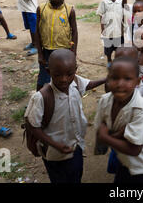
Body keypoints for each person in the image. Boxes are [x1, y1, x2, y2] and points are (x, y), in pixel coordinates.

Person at [24, 49, 106, 183]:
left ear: (75, 70)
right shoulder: (41, 97)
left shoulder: (76, 83)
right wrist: (55, 144)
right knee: (59, 179)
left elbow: (89, 84)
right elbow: (34, 126)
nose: (64, 79)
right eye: (58, 75)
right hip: (54, 153)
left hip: (75, 146)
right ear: (48, 71)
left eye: (69, 74)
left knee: (76, 175)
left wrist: (106, 79)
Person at [94, 57, 143, 183]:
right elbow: (99, 132)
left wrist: (107, 137)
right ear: (108, 80)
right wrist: (118, 134)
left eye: (127, 79)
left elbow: (134, 149)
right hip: (124, 161)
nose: (120, 84)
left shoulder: (142, 107)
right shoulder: (104, 101)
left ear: (137, 82)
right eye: (114, 78)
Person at [35, 0, 78, 91]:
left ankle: (63, 102)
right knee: (43, 80)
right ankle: (38, 101)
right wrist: (40, 53)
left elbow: (74, 32)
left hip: (64, 50)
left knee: (63, 79)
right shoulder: (41, 8)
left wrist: (73, 51)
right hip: (47, 51)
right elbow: (37, 31)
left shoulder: (69, 10)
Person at [96, 0, 124, 67]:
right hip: (108, 31)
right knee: (108, 48)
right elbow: (101, 15)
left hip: (119, 30)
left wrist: (124, 28)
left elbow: (124, 16)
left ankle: (117, 61)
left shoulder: (121, 1)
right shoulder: (104, 2)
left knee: (119, 48)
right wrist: (102, 29)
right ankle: (109, 60)